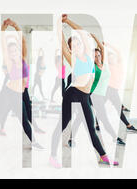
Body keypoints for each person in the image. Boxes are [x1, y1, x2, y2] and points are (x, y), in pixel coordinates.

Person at [50, 14, 118, 168]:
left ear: (82, 44)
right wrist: (59, 26)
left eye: (77, 43)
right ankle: (52, 155)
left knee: (91, 128)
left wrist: (67, 21)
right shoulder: (72, 58)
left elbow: (80, 31)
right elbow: (62, 42)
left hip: (85, 97)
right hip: (72, 95)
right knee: (62, 124)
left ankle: (103, 157)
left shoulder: (88, 54)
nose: (76, 46)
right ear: (71, 49)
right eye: (72, 46)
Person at [0, 18, 44, 148]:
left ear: (19, 50)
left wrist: (15, 26)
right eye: (11, 51)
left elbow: (22, 40)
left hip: (19, 93)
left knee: (23, 119)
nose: (13, 53)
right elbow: (2, 42)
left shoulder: (23, 59)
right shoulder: (9, 61)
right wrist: (3, 28)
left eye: (15, 50)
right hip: (9, 92)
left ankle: (34, 142)